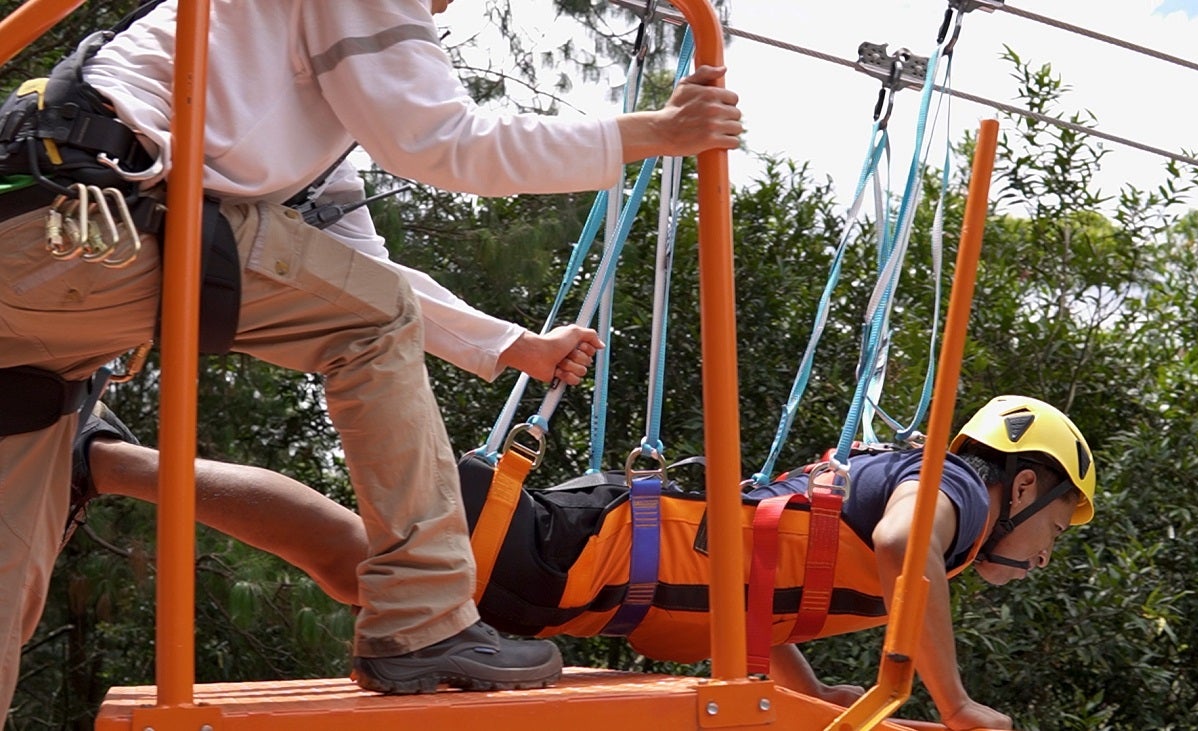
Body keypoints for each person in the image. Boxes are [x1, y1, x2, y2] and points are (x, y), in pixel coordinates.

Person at [0, 0, 742, 716]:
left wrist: (513, 345)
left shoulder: (294, 115)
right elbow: (447, 143)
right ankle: (422, 621)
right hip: (94, 219)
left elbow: (365, 280)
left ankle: (90, 455)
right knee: (372, 318)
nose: (444, 12)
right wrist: (655, 132)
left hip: (40, 264)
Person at [75, 394, 1095, 729]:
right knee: (347, 558)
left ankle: (110, 461)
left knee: (347, 560)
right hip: (563, 553)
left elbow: (761, 593)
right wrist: (951, 701)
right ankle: (109, 459)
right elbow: (899, 543)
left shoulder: (930, 504)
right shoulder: (953, 495)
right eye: (1057, 523)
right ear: (1021, 482)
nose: (1047, 550)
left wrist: (811, 687)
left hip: (568, 569)